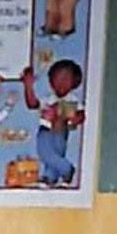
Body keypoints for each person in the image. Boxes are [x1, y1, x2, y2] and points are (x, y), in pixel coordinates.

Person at [21, 58, 84, 187]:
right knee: (44, 152)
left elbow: (80, 115)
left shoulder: (72, 100)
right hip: (45, 130)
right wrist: (28, 85)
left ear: (74, 82)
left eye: (66, 79)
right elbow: (32, 103)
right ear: (51, 81)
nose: (61, 83)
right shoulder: (49, 99)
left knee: (56, 153)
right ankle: (52, 177)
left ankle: (66, 169)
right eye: (57, 79)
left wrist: (73, 121)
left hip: (60, 132)